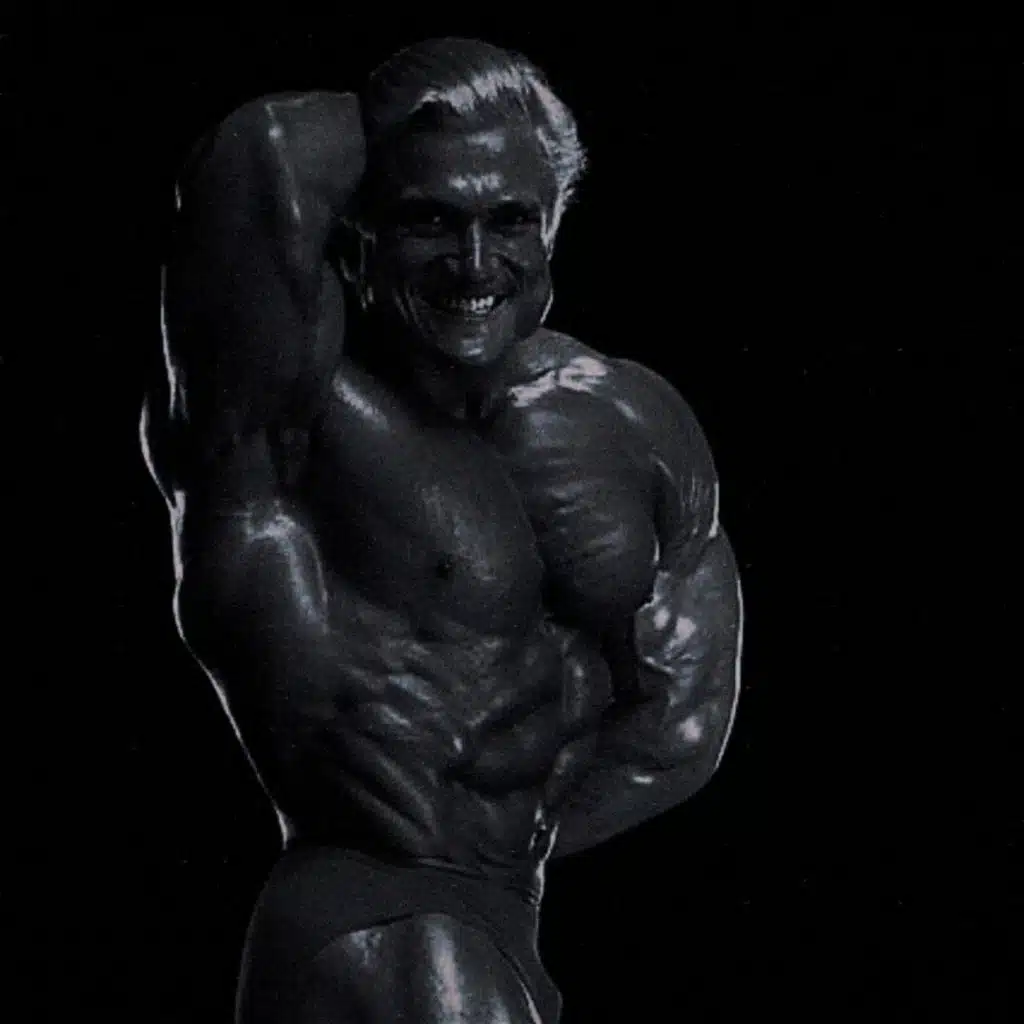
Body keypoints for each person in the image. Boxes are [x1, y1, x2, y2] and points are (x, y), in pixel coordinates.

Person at [141, 36, 743, 1024]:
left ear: (552, 224)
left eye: (509, 219)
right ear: (362, 230)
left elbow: (680, 726)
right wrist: (417, 119)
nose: (473, 262)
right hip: (371, 916)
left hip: (499, 922)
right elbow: (262, 150)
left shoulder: (630, 420)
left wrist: (511, 836)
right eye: (430, 218)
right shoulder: (290, 413)